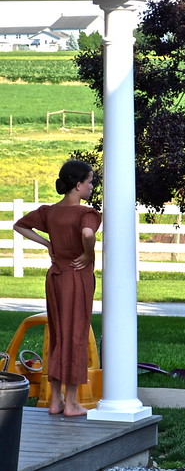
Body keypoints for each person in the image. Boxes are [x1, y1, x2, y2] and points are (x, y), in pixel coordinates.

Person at [13, 160, 101, 417]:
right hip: (76, 277)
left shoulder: (49, 212)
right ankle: (72, 403)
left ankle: (55, 400)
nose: (92, 187)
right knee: (76, 336)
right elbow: (87, 234)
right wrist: (88, 254)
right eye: (90, 182)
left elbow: (19, 225)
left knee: (58, 335)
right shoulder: (88, 213)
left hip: (55, 277)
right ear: (77, 185)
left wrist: (47, 244)